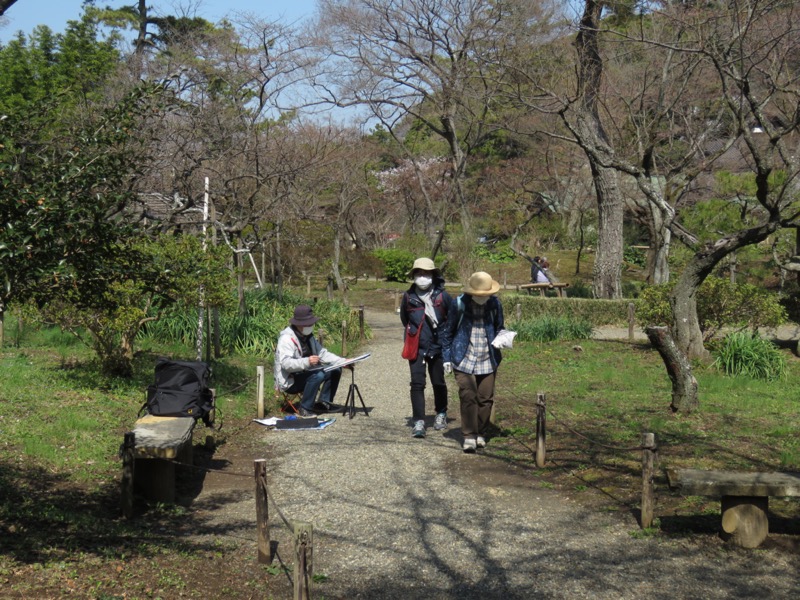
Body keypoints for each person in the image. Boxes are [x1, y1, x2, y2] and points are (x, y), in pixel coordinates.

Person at [441, 271, 505, 453]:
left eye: (486, 294)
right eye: (479, 294)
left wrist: (504, 339)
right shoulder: (459, 304)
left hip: (487, 357)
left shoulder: (494, 305)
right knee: (468, 395)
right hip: (464, 357)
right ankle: (469, 435)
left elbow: (500, 327)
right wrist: (446, 358)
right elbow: (448, 332)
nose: (482, 298)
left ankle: (480, 432)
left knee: (486, 398)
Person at [400, 257, 452, 438]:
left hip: (438, 346)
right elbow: (405, 320)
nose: (422, 277)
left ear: (433, 275)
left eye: (426, 273)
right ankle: (419, 421)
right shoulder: (408, 297)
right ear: (414, 276)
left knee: (438, 382)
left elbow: (449, 322)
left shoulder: (442, 296)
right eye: (419, 273)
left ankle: (441, 413)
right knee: (417, 384)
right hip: (417, 347)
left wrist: (448, 351)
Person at [274, 304, 345, 417]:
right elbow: (286, 364)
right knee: (318, 375)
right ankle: (305, 409)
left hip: (307, 373)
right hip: (291, 381)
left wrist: (343, 361)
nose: (311, 325)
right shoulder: (286, 339)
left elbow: (322, 354)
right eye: (309, 324)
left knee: (335, 369)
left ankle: (323, 403)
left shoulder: (309, 337)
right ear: (299, 324)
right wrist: (307, 361)